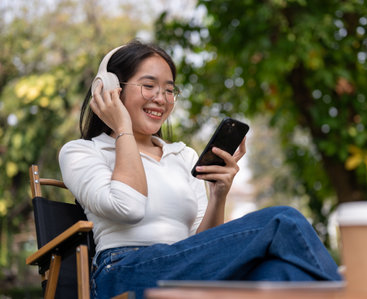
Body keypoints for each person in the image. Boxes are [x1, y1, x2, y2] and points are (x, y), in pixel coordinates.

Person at [59, 40, 341, 299]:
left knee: (285, 274)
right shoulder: (81, 152)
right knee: (283, 219)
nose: (161, 98)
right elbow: (128, 207)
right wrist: (122, 128)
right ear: (110, 89)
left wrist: (219, 195)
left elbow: (204, 244)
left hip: (181, 265)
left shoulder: (183, 155)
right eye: (149, 86)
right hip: (122, 273)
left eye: (169, 89)